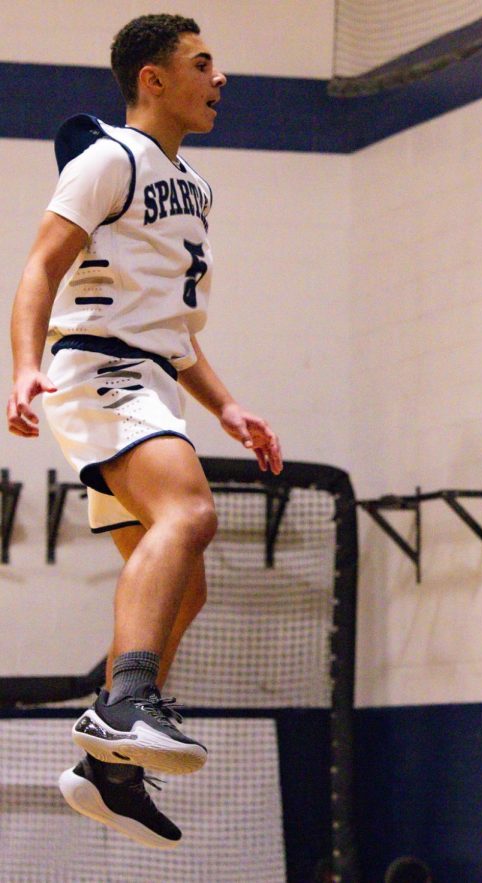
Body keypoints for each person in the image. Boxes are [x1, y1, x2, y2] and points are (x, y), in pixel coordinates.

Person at [7, 14, 282, 849]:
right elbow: (40, 268)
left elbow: (173, 326)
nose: (221, 77)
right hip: (96, 367)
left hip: (154, 377)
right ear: (154, 79)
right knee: (190, 515)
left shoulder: (193, 186)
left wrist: (227, 403)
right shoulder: (108, 158)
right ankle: (122, 707)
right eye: (204, 63)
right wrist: (23, 365)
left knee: (185, 584)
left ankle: (107, 771)